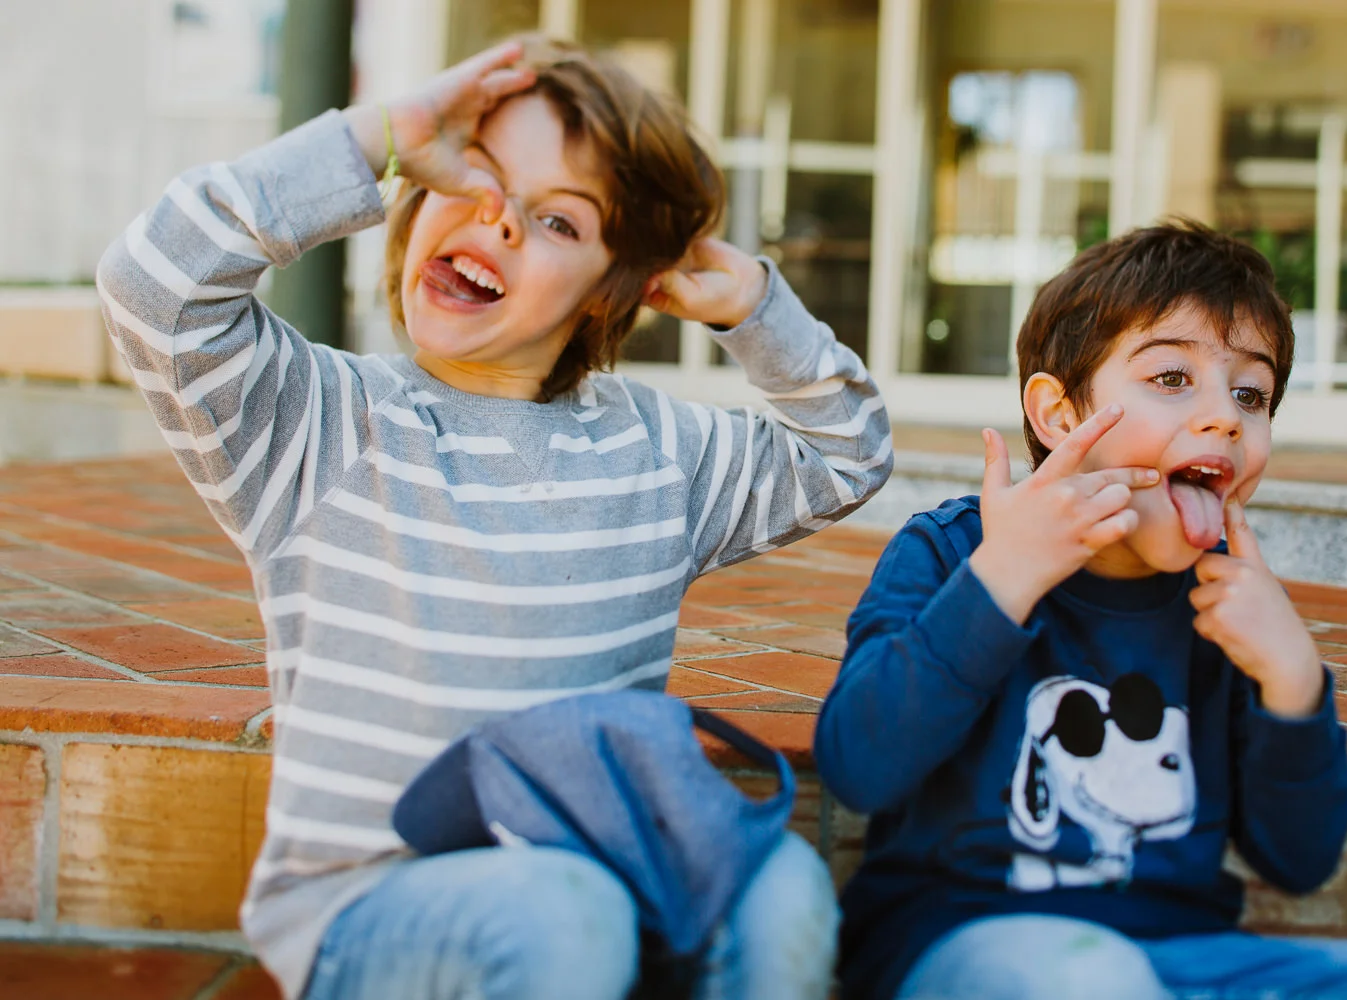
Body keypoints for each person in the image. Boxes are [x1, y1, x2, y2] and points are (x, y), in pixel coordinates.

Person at [96, 36, 891, 1000]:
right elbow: (155, 286)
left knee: (787, 895)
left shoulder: (666, 454)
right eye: (471, 174)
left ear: (613, 291)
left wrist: (758, 310)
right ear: (412, 199)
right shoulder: (320, 424)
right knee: (559, 914)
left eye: (558, 220)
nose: (498, 220)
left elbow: (849, 455)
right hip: (372, 908)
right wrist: (375, 138)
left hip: (600, 878)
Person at [813, 221, 1347, 1000]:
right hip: (966, 944)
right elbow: (857, 767)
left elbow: (1299, 860)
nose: (1224, 418)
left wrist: (1293, 681)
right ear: (1061, 415)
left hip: (1187, 955)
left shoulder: (1228, 603)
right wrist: (1002, 579)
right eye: (1173, 378)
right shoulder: (953, 552)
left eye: (1252, 393)